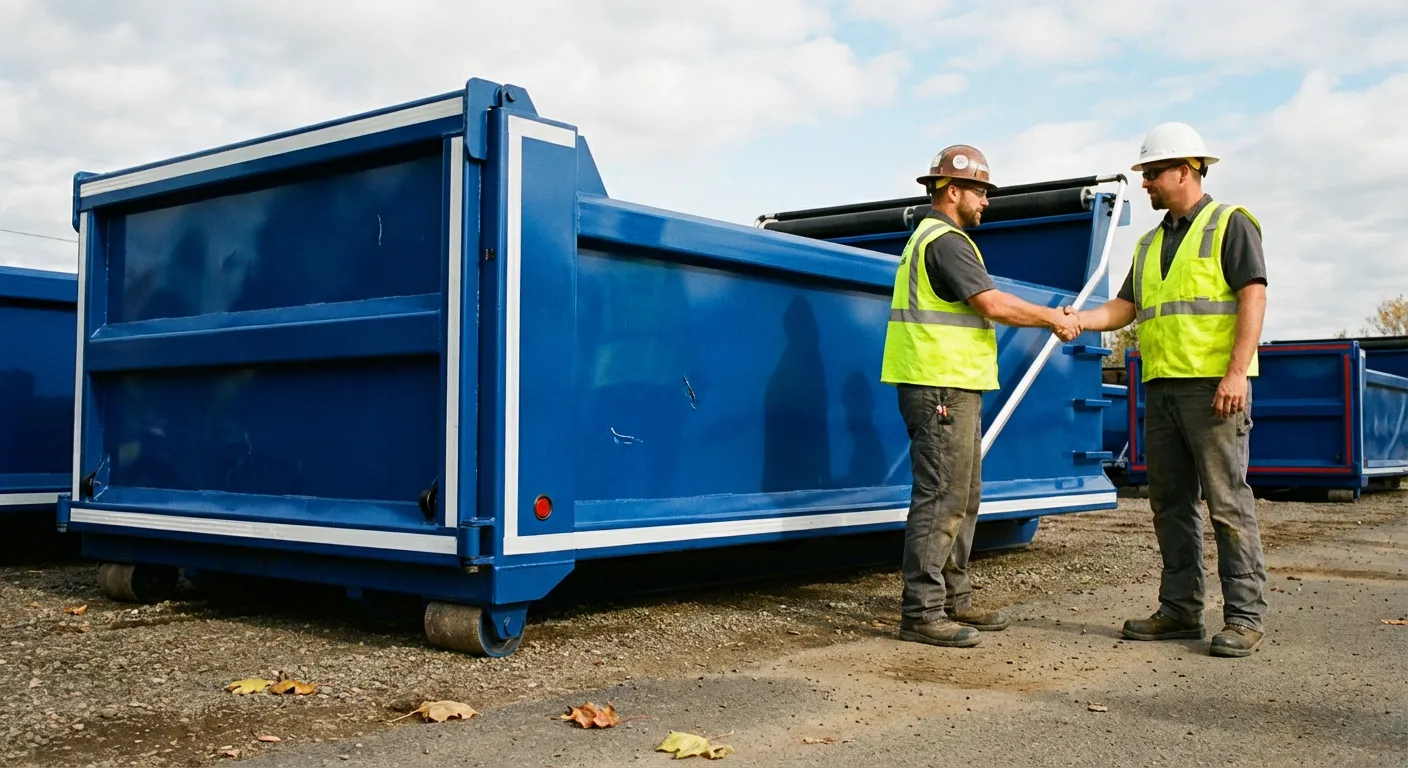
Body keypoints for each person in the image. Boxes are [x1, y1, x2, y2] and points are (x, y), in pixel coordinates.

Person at [1067, 122, 1269, 658]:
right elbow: (1126, 307)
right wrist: (1081, 320)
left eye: (1153, 173)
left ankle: (1245, 616)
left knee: (1227, 504)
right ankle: (1181, 610)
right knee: (1170, 505)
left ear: (1185, 171)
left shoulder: (1230, 224)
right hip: (1162, 388)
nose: (1146, 183)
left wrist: (1235, 373)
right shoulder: (1150, 242)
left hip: (1213, 389)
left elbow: (1252, 297)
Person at [880, 145, 1082, 648]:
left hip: (950, 384)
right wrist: (1052, 317)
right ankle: (922, 611)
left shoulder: (931, 238)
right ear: (952, 191)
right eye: (980, 191)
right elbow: (990, 303)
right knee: (942, 497)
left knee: (962, 495)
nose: (986, 202)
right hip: (940, 385)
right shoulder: (946, 241)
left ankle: (955, 597)